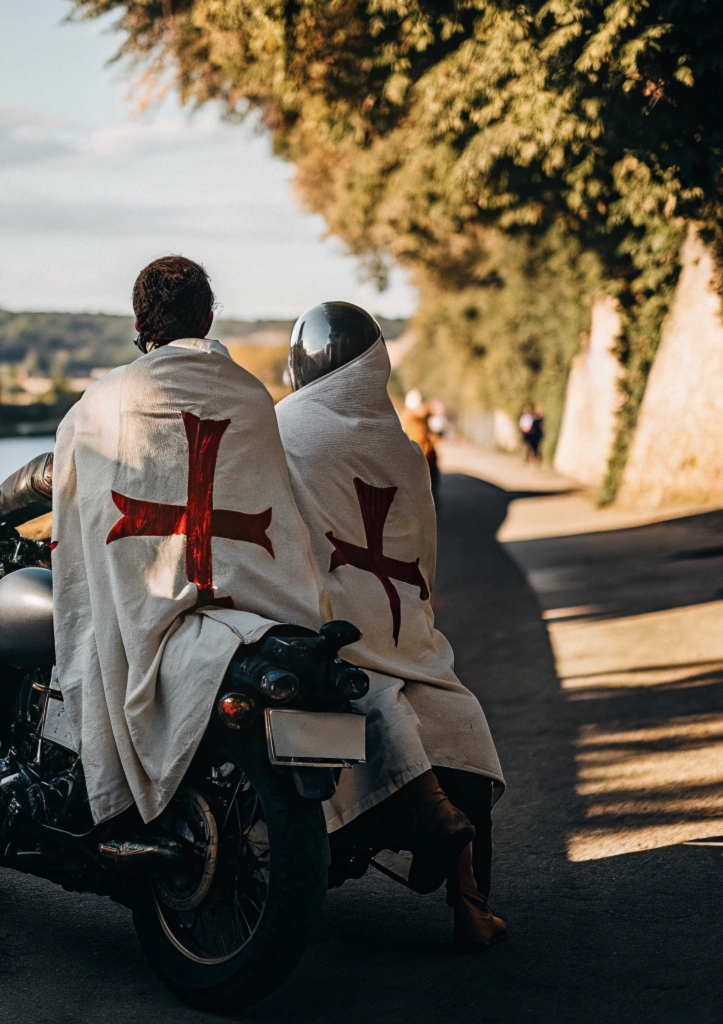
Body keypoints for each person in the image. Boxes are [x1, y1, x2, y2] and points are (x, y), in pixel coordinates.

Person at [0, 256, 330, 831]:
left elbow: (53, 474)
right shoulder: (254, 398)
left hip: (148, 604)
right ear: (208, 318)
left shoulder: (108, 400)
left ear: (139, 326)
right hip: (242, 601)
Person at [276, 301, 507, 950]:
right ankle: (472, 908)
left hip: (332, 637)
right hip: (406, 636)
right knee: (455, 715)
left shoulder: (282, 429)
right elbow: (422, 563)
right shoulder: (404, 452)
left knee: (361, 692)